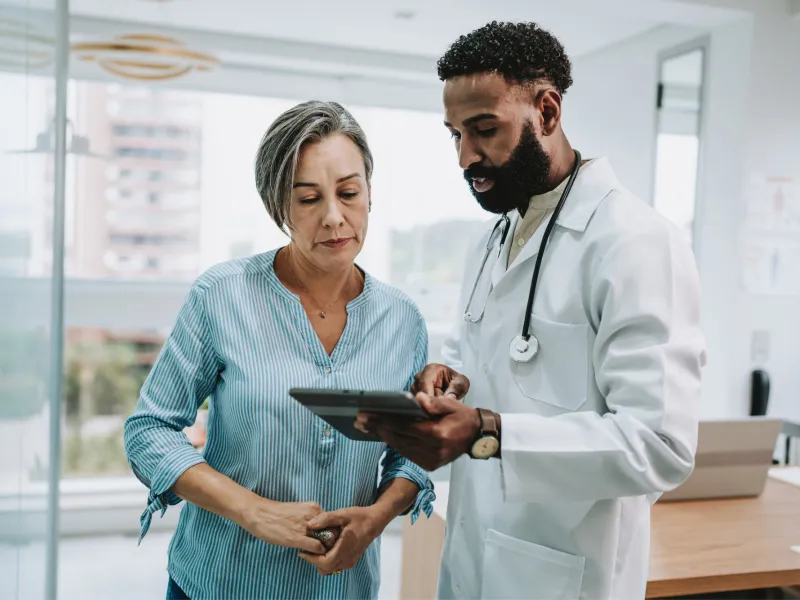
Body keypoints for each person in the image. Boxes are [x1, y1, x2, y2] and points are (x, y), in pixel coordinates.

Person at [355, 22, 706, 600]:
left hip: (568, 572)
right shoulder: (493, 238)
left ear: (546, 111)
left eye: (484, 129)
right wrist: (449, 382)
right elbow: (478, 360)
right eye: (455, 135)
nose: (466, 155)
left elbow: (659, 446)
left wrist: (488, 434)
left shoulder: (636, 241)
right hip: (472, 553)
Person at [124, 100, 434, 600]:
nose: (335, 217)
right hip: (219, 582)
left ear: (370, 194)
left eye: (349, 193)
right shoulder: (222, 296)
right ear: (278, 207)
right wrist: (253, 510)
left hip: (344, 589)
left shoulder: (403, 320)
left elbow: (413, 453)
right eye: (308, 199)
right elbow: (149, 431)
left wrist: (375, 520)